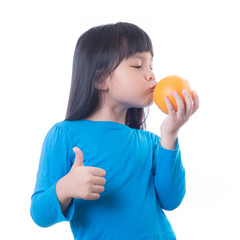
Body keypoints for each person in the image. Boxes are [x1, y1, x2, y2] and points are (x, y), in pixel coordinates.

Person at [30, 22, 199, 240]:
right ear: (100, 79)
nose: (151, 75)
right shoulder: (64, 135)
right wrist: (65, 188)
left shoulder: (152, 142)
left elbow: (171, 200)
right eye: (138, 66)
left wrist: (170, 135)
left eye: (151, 66)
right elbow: (39, 215)